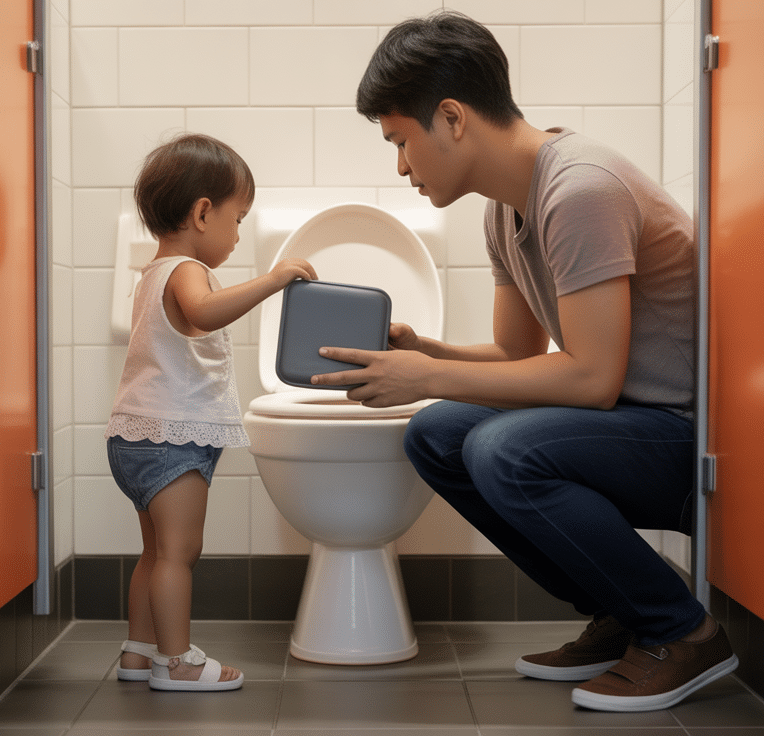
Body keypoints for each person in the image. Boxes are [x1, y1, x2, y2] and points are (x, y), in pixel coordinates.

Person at [310, 11, 737, 712]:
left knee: (505, 448)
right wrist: (429, 352)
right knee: (437, 433)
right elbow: (518, 354)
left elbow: (593, 380)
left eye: (401, 142)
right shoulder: (503, 209)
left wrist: (426, 377)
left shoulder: (582, 189)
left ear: (451, 117)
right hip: (628, 423)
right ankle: (620, 611)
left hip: (685, 438)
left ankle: (681, 632)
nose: (401, 166)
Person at [106, 133, 316, 691]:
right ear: (203, 213)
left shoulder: (152, 272)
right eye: (238, 218)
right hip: (171, 438)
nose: (239, 232)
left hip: (136, 435)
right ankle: (178, 663)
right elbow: (204, 312)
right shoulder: (185, 271)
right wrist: (272, 281)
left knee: (154, 552)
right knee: (181, 552)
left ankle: (139, 651)